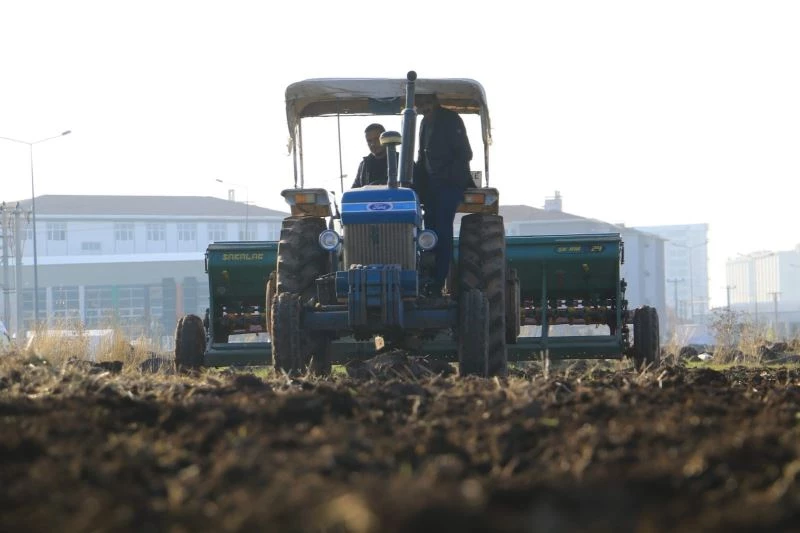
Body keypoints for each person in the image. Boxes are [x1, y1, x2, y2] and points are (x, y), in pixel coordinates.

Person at [413, 93, 474, 296]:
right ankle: (427, 277)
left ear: (435, 102)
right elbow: (422, 156)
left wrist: (446, 176)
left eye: (427, 103)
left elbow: (465, 153)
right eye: (420, 104)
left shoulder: (451, 120)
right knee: (428, 231)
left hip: (449, 184)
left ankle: (439, 281)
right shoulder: (423, 123)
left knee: (442, 228)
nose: (424, 107)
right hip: (431, 186)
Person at [351, 123, 394, 188]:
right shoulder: (364, 165)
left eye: (376, 139)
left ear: (384, 139)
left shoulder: (401, 162)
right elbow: (355, 190)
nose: (373, 144)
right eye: (369, 141)